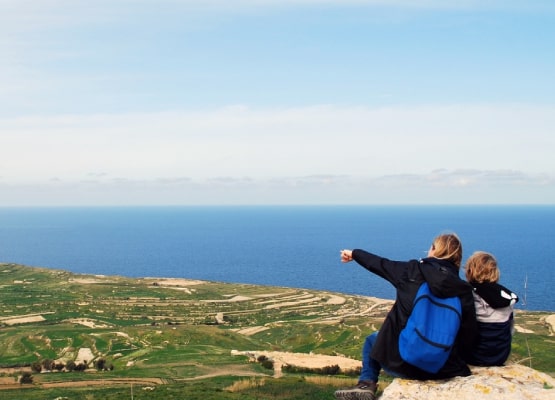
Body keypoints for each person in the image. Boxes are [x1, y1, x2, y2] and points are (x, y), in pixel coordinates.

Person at [334, 233, 477, 400]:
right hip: (443, 369)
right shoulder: (464, 290)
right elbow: (469, 337)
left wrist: (354, 253)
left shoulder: (411, 271)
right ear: (457, 259)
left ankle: (366, 384)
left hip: (404, 363)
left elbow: (380, 264)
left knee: (372, 341)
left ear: (433, 250)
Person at [463, 251, 519, 366]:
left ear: (470, 270)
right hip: (500, 356)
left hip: (473, 356)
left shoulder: (468, 294)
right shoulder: (506, 297)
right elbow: (510, 329)